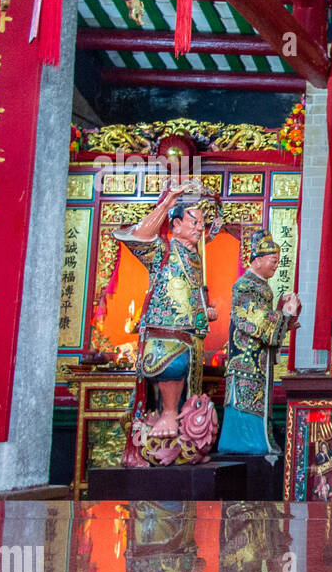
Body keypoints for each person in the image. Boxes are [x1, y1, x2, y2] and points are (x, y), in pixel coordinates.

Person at [115, 181, 219, 441]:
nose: (199, 228)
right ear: (175, 225)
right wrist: (166, 204)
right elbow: (138, 237)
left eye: (201, 224)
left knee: (190, 387)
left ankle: (183, 426)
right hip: (166, 333)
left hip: (192, 335)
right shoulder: (163, 250)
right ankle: (168, 413)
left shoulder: (197, 257)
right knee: (171, 367)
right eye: (193, 222)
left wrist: (205, 311)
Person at [217, 229, 301, 454]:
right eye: (273, 261)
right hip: (245, 360)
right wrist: (283, 315)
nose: (276, 266)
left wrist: (285, 321)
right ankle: (245, 443)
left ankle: (260, 440)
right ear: (258, 260)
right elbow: (254, 320)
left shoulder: (261, 286)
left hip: (258, 359)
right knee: (245, 400)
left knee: (258, 400)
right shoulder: (245, 286)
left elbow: (266, 322)